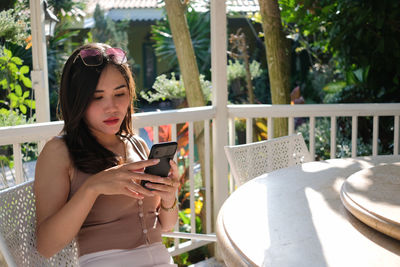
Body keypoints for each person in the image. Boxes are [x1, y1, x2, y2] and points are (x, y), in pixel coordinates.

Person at [34, 43, 180, 267]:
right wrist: (92, 188)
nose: (111, 107)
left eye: (119, 93)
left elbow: (166, 226)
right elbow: (45, 246)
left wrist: (170, 198)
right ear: (77, 100)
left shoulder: (137, 145)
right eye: (97, 97)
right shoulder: (59, 152)